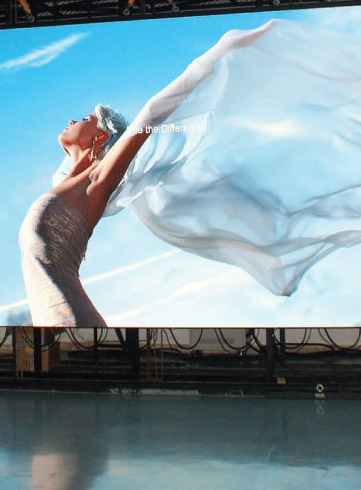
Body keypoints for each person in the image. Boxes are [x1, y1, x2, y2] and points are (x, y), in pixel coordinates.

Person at [18, 24, 272, 327]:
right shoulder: (65, 186)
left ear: (100, 137)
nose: (72, 120)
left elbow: (151, 113)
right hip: (51, 325)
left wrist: (218, 54)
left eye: (85, 119)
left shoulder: (96, 184)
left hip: (70, 322)